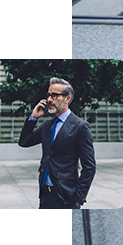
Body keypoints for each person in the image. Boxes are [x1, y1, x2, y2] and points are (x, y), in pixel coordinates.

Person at [18, 77, 96, 209]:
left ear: (67, 99)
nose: (49, 100)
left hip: (66, 197)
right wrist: (33, 118)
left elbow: (89, 167)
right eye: (48, 95)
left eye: (54, 96)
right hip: (44, 196)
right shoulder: (46, 125)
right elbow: (24, 142)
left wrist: (78, 198)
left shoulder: (80, 126)